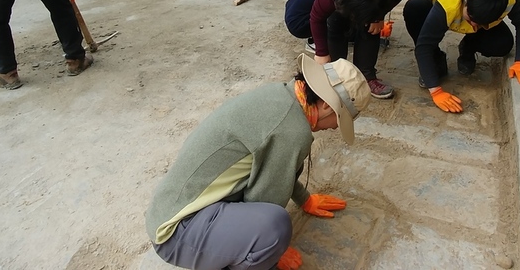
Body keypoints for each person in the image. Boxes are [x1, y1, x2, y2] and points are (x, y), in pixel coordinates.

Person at [145, 55, 371, 270]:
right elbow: (263, 199)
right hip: (176, 234)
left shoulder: (284, 96)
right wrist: (273, 251)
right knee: (275, 228)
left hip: (168, 211)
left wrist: (305, 199)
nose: (334, 128)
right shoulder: (292, 130)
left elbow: (274, 168)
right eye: (338, 120)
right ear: (326, 106)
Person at [403, 0, 520, 113]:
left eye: (480, 24)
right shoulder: (446, 6)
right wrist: (436, 91)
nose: (473, 26)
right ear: (465, 2)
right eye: (471, 20)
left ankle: (468, 47)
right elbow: (424, 47)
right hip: (443, 10)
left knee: (502, 44)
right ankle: (437, 60)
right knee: (414, 8)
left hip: (481, 13)